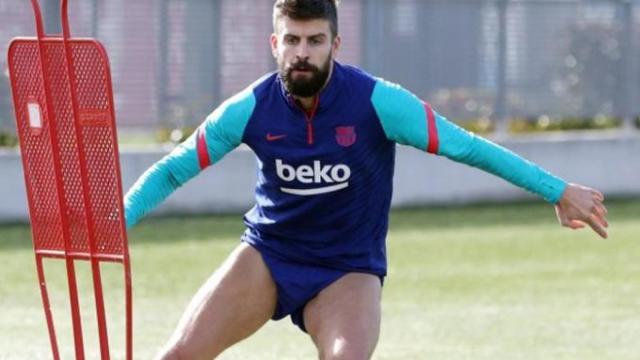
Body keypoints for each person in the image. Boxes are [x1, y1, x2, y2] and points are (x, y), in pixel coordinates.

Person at [124, 0, 609, 358]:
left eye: (315, 41)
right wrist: (119, 219)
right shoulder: (250, 108)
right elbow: (173, 169)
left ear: (335, 44)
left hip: (347, 268)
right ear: (275, 44)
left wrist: (558, 189)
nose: (302, 53)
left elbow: (468, 147)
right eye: (291, 40)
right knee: (177, 357)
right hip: (269, 255)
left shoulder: (379, 102)